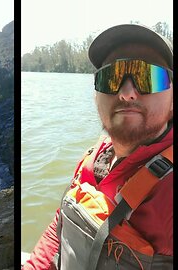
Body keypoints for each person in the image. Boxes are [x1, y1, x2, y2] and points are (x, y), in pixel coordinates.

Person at [23, 24, 173, 269]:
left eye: (148, 77)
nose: (126, 93)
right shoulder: (96, 157)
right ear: (96, 95)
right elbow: (59, 228)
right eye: (111, 77)